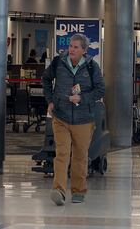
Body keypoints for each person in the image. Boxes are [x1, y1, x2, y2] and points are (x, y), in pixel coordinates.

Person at [42, 33, 105, 206]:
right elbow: (46, 80)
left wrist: (82, 98)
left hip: (84, 119)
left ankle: (78, 191)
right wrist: (50, 100)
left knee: (80, 156)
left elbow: (100, 90)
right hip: (61, 117)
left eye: (76, 47)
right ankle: (59, 191)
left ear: (84, 50)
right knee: (61, 154)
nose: (71, 49)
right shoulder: (58, 62)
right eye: (71, 46)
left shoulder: (92, 67)